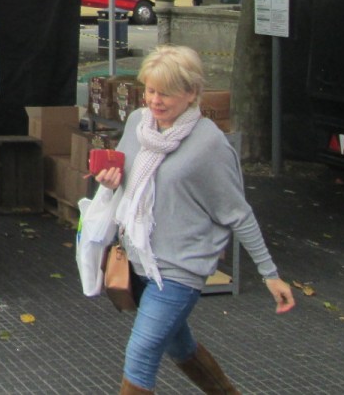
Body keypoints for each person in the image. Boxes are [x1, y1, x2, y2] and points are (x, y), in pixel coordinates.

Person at [96, 45, 294, 394]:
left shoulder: (209, 144)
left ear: (191, 93)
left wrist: (270, 274)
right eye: (151, 90)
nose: (155, 101)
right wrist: (112, 180)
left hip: (178, 270)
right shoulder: (138, 123)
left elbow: (238, 213)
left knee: (141, 354)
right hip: (137, 261)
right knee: (178, 345)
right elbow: (126, 176)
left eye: (166, 93)